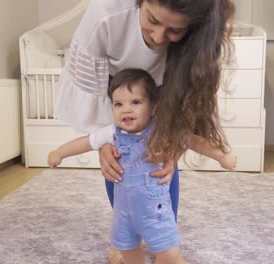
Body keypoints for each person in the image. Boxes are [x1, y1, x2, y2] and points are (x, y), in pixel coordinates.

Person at [53, 0, 235, 262]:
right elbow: (96, 109)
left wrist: (172, 146)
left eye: (174, 30)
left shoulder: (197, 40)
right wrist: (107, 142)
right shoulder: (105, 14)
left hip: (166, 79)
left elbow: (184, 120)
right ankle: (124, 238)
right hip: (114, 80)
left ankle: (164, 235)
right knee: (118, 159)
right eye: (152, 19)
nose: (159, 37)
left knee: (162, 163)